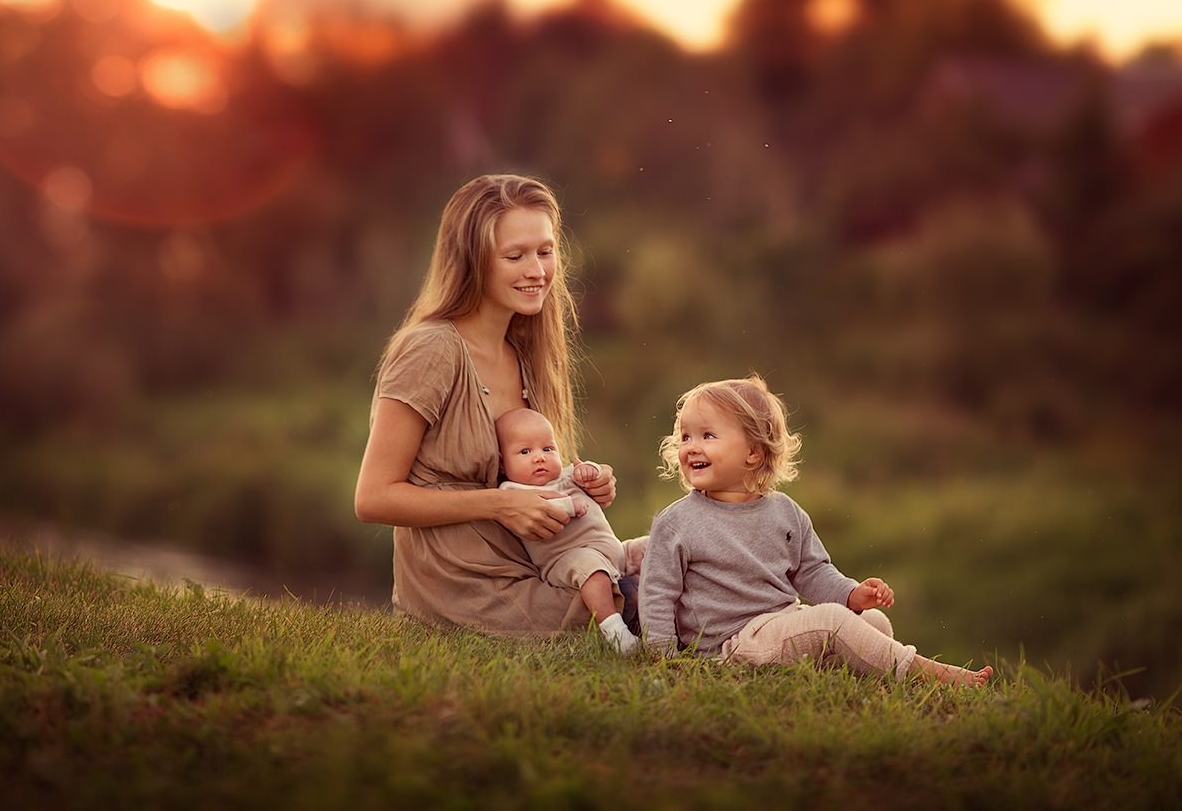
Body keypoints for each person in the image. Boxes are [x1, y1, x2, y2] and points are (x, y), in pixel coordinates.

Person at [354, 173, 641, 636]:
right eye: (515, 256)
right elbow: (372, 498)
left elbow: (526, 479)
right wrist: (500, 507)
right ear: (472, 262)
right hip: (463, 591)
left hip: (537, 566)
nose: (537, 271)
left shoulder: (522, 350)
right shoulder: (431, 350)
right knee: (660, 598)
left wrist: (579, 484)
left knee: (679, 563)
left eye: (545, 252)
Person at [639, 373, 994, 687]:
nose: (692, 447)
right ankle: (934, 675)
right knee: (834, 623)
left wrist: (853, 595)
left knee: (875, 622)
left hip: (780, 625)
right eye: (685, 437)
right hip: (731, 646)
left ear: (753, 453)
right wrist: (665, 660)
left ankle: (833, 669)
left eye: (708, 435)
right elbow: (657, 594)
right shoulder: (678, 522)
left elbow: (812, 572)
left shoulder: (784, 512)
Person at [495, 407, 639, 653]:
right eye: (525, 451)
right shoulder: (512, 492)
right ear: (502, 462)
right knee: (592, 570)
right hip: (567, 560)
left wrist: (591, 471)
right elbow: (543, 509)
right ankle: (615, 630)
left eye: (547, 449)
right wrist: (569, 505)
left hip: (613, 551)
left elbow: (594, 470)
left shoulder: (566, 475)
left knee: (648, 545)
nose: (539, 457)